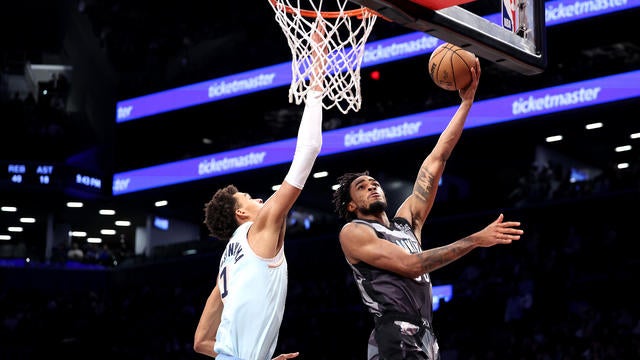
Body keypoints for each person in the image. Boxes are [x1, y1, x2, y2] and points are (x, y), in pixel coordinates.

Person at [331, 58, 524, 359]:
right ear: (352, 205)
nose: (372, 186)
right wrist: (475, 239)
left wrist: (466, 104)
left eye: (373, 182)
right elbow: (412, 265)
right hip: (394, 332)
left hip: (425, 333)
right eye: (362, 186)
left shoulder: (406, 223)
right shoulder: (354, 232)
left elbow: (436, 161)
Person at [193, 26, 327, 360]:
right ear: (241, 215)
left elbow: (201, 342)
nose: (257, 200)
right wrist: (317, 70)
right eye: (248, 199)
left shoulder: (227, 267)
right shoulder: (261, 226)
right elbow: (310, 147)